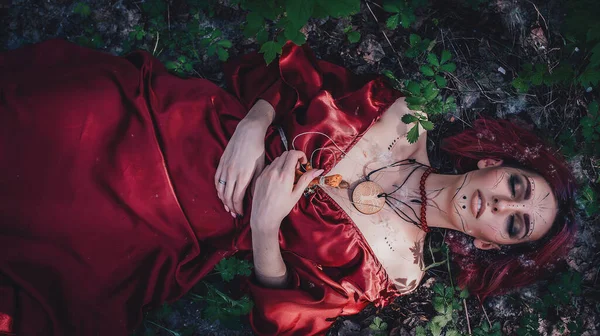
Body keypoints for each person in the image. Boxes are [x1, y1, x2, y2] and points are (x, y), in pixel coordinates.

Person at [0, 39, 576, 336]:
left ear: (495, 245)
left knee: (55, 230)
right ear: (499, 161)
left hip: (190, 219)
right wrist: (256, 118)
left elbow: (284, 319)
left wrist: (265, 228)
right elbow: (280, 71)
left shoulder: (395, 272)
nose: (500, 202)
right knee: (49, 118)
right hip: (195, 128)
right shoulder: (401, 114)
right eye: (517, 185)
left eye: (515, 220)